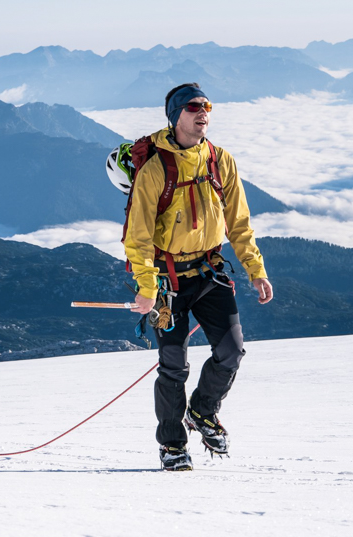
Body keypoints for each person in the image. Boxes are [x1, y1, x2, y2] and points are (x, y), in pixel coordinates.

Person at [123, 83, 273, 471]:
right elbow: (137, 237)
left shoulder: (220, 160)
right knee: (174, 366)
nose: (203, 112)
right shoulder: (156, 169)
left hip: (210, 272)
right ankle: (172, 445)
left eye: (207, 105)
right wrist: (146, 288)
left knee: (231, 351)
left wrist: (255, 270)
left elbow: (238, 222)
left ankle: (202, 412)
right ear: (175, 116)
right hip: (168, 281)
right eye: (193, 107)